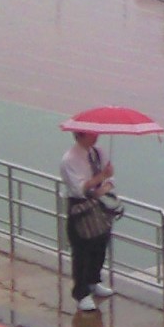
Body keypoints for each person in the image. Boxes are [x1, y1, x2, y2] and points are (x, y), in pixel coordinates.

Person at [61, 130, 115, 312]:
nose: (96, 135)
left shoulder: (98, 152)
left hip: (98, 204)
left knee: (100, 243)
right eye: (92, 133)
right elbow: (79, 188)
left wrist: (104, 186)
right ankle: (81, 293)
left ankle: (94, 280)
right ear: (81, 135)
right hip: (80, 207)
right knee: (82, 250)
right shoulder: (70, 159)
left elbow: (110, 178)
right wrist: (102, 177)